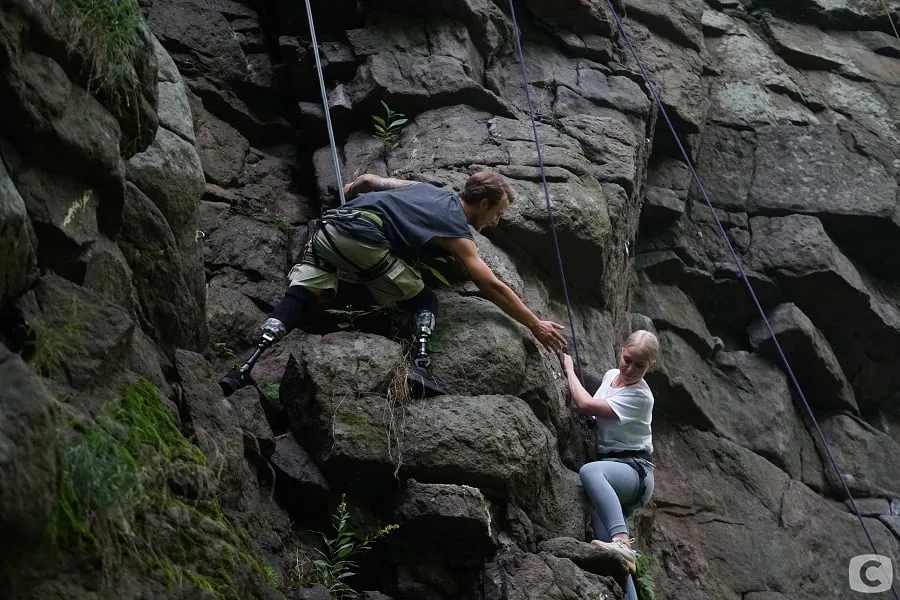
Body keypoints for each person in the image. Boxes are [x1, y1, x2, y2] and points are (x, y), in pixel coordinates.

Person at [261, 171, 567, 395]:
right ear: (484, 203)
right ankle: (420, 367)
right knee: (425, 302)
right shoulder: (455, 228)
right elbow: (490, 284)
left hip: (329, 230)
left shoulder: (426, 189)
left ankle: (255, 355)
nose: (496, 222)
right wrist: (534, 323)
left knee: (302, 292)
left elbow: (367, 181)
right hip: (365, 238)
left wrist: (351, 190)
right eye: (498, 213)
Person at [561, 329, 659, 600]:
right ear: (622, 350)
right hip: (616, 473)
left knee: (590, 471)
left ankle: (622, 542)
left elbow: (585, 403)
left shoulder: (641, 396)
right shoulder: (609, 377)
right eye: (627, 359)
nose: (630, 368)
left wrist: (569, 368)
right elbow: (601, 410)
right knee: (616, 562)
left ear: (650, 366)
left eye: (640, 365)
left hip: (635, 472)